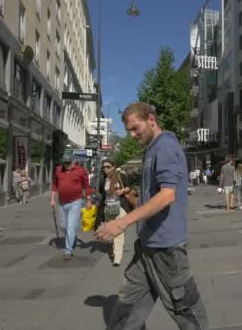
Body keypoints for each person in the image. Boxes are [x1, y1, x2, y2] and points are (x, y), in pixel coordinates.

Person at [95, 102, 208, 329]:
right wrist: (128, 195)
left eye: (135, 128)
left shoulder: (165, 146)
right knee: (126, 311)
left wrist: (122, 222)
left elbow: (167, 196)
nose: (132, 135)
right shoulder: (152, 149)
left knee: (188, 314)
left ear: (151, 120)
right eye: (128, 131)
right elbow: (151, 202)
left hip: (166, 249)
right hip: (147, 246)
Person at [50, 154, 92, 260]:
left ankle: (68, 250)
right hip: (62, 202)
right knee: (63, 226)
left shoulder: (81, 171)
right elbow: (55, 184)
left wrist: (89, 200)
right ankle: (72, 236)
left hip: (76, 202)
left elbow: (86, 186)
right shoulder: (59, 170)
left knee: (70, 226)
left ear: (74, 162)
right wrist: (52, 199)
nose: (66, 165)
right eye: (65, 163)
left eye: (69, 163)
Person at [99, 159, 137, 266]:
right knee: (111, 231)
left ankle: (117, 257)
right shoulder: (103, 179)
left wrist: (122, 191)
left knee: (119, 232)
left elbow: (130, 187)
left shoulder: (121, 176)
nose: (106, 169)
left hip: (120, 206)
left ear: (113, 167)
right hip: (108, 208)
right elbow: (101, 191)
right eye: (104, 167)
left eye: (108, 166)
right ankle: (114, 248)